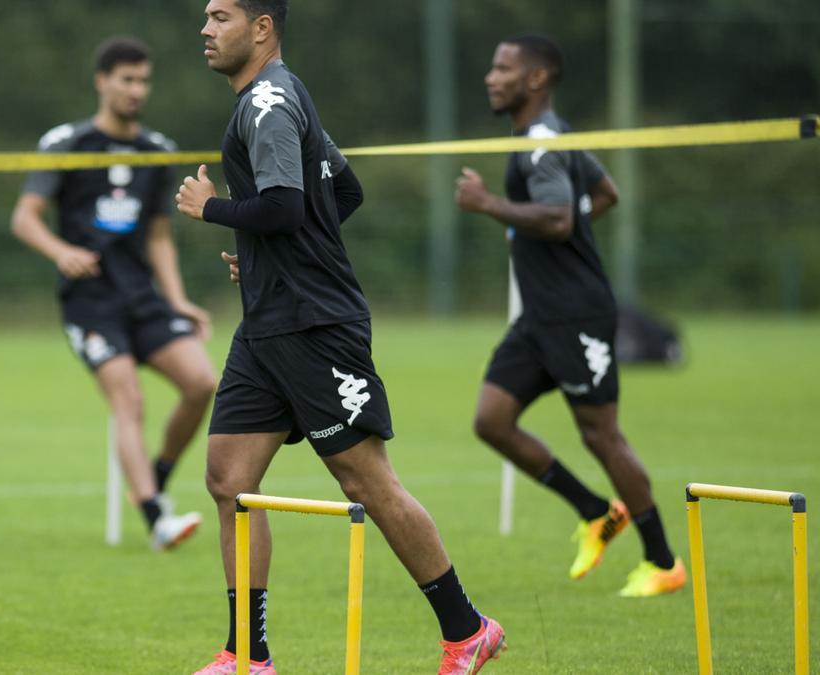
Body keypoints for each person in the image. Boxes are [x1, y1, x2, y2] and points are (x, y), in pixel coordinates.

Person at [176, 2, 506, 673]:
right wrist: (268, 258)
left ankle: (466, 629)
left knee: (365, 480)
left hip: (315, 325)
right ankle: (249, 655)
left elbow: (284, 206)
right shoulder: (280, 95)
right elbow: (343, 191)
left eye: (220, 15)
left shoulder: (267, 101)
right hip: (267, 323)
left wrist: (208, 208)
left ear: (261, 27)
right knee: (229, 479)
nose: (205, 29)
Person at [454, 34, 686, 597]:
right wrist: (542, 222)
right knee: (492, 421)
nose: (490, 76)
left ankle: (663, 563)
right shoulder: (551, 135)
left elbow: (559, 219)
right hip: (539, 316)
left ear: (535, 80)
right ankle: (594, 512)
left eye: (503, 68)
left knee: (601, 435)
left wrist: (491, 206)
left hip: (577, 314)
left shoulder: (541, 143)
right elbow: (603, 194)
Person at [11, 36, 216, 551]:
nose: (136, 90)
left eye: (144, 80)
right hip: (90, 302)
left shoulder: (157, 151)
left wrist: (178, 300)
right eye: (126, 79)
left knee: (201, 382)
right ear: (101, 81)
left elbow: (160, 237)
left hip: (141, 296)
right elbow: (25, 219)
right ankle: (156, 520)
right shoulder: (67, 144)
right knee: (129, 398)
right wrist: (61, 252)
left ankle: (155, 477)